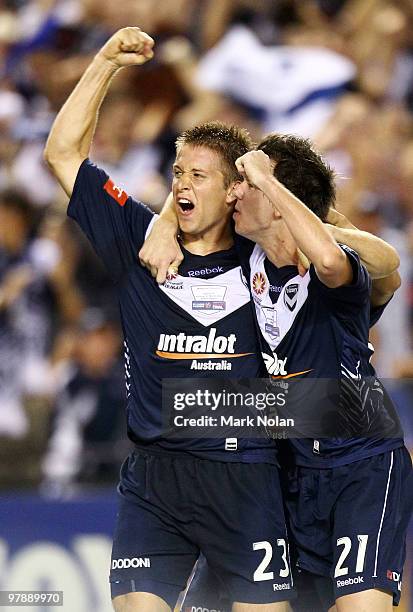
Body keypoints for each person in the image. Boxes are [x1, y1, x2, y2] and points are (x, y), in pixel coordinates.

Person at [43, 27, 295, 612]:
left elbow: (354, 259)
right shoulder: (139, 237)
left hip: (246, 475)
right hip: (156, 478)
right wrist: (105, 62)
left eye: (198, 175)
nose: (181, 183)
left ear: (236, 190)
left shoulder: (271, 252)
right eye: (177, 172)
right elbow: (62, 154)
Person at [140, 135, 411, 612]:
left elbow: (382, 264)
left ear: (281, 195)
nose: (236, 193)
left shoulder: (333, 266)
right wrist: (162, 224)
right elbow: (196, 183)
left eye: (247, 182)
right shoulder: (245, 256)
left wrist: (273, 186)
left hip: (360, 462)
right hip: (288, 465)